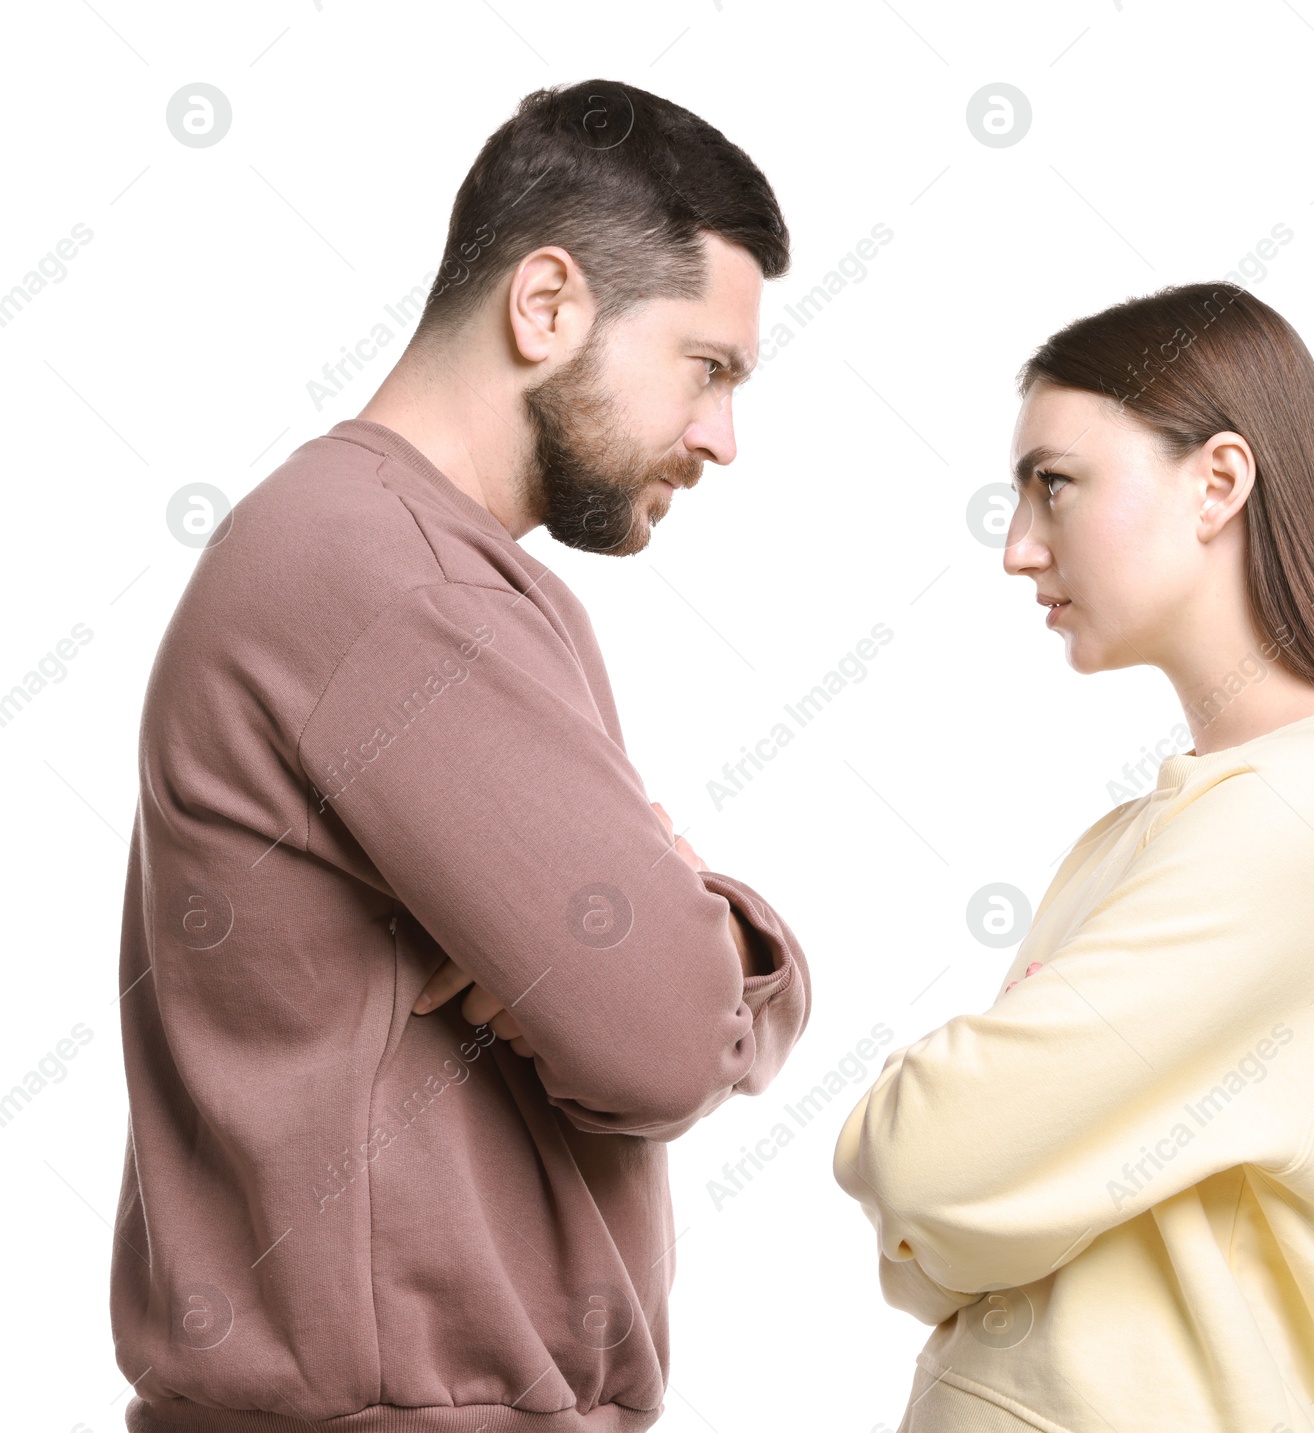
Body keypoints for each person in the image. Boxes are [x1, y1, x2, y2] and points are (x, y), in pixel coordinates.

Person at [110, 80, 811, 1431]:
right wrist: (706, 927)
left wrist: (674, 929)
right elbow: (665, 1036)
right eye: (707, 367)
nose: (724, 436)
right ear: (546, 307)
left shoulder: (376, 553)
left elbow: (650, 998)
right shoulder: (396, 583)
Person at [833, 283, 1314, 1432]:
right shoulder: (1144, 830)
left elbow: (932, 1162)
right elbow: (934, 1242)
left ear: (1218, 482)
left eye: (1056, 482)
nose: (1017, 546)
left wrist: (929, 1153)